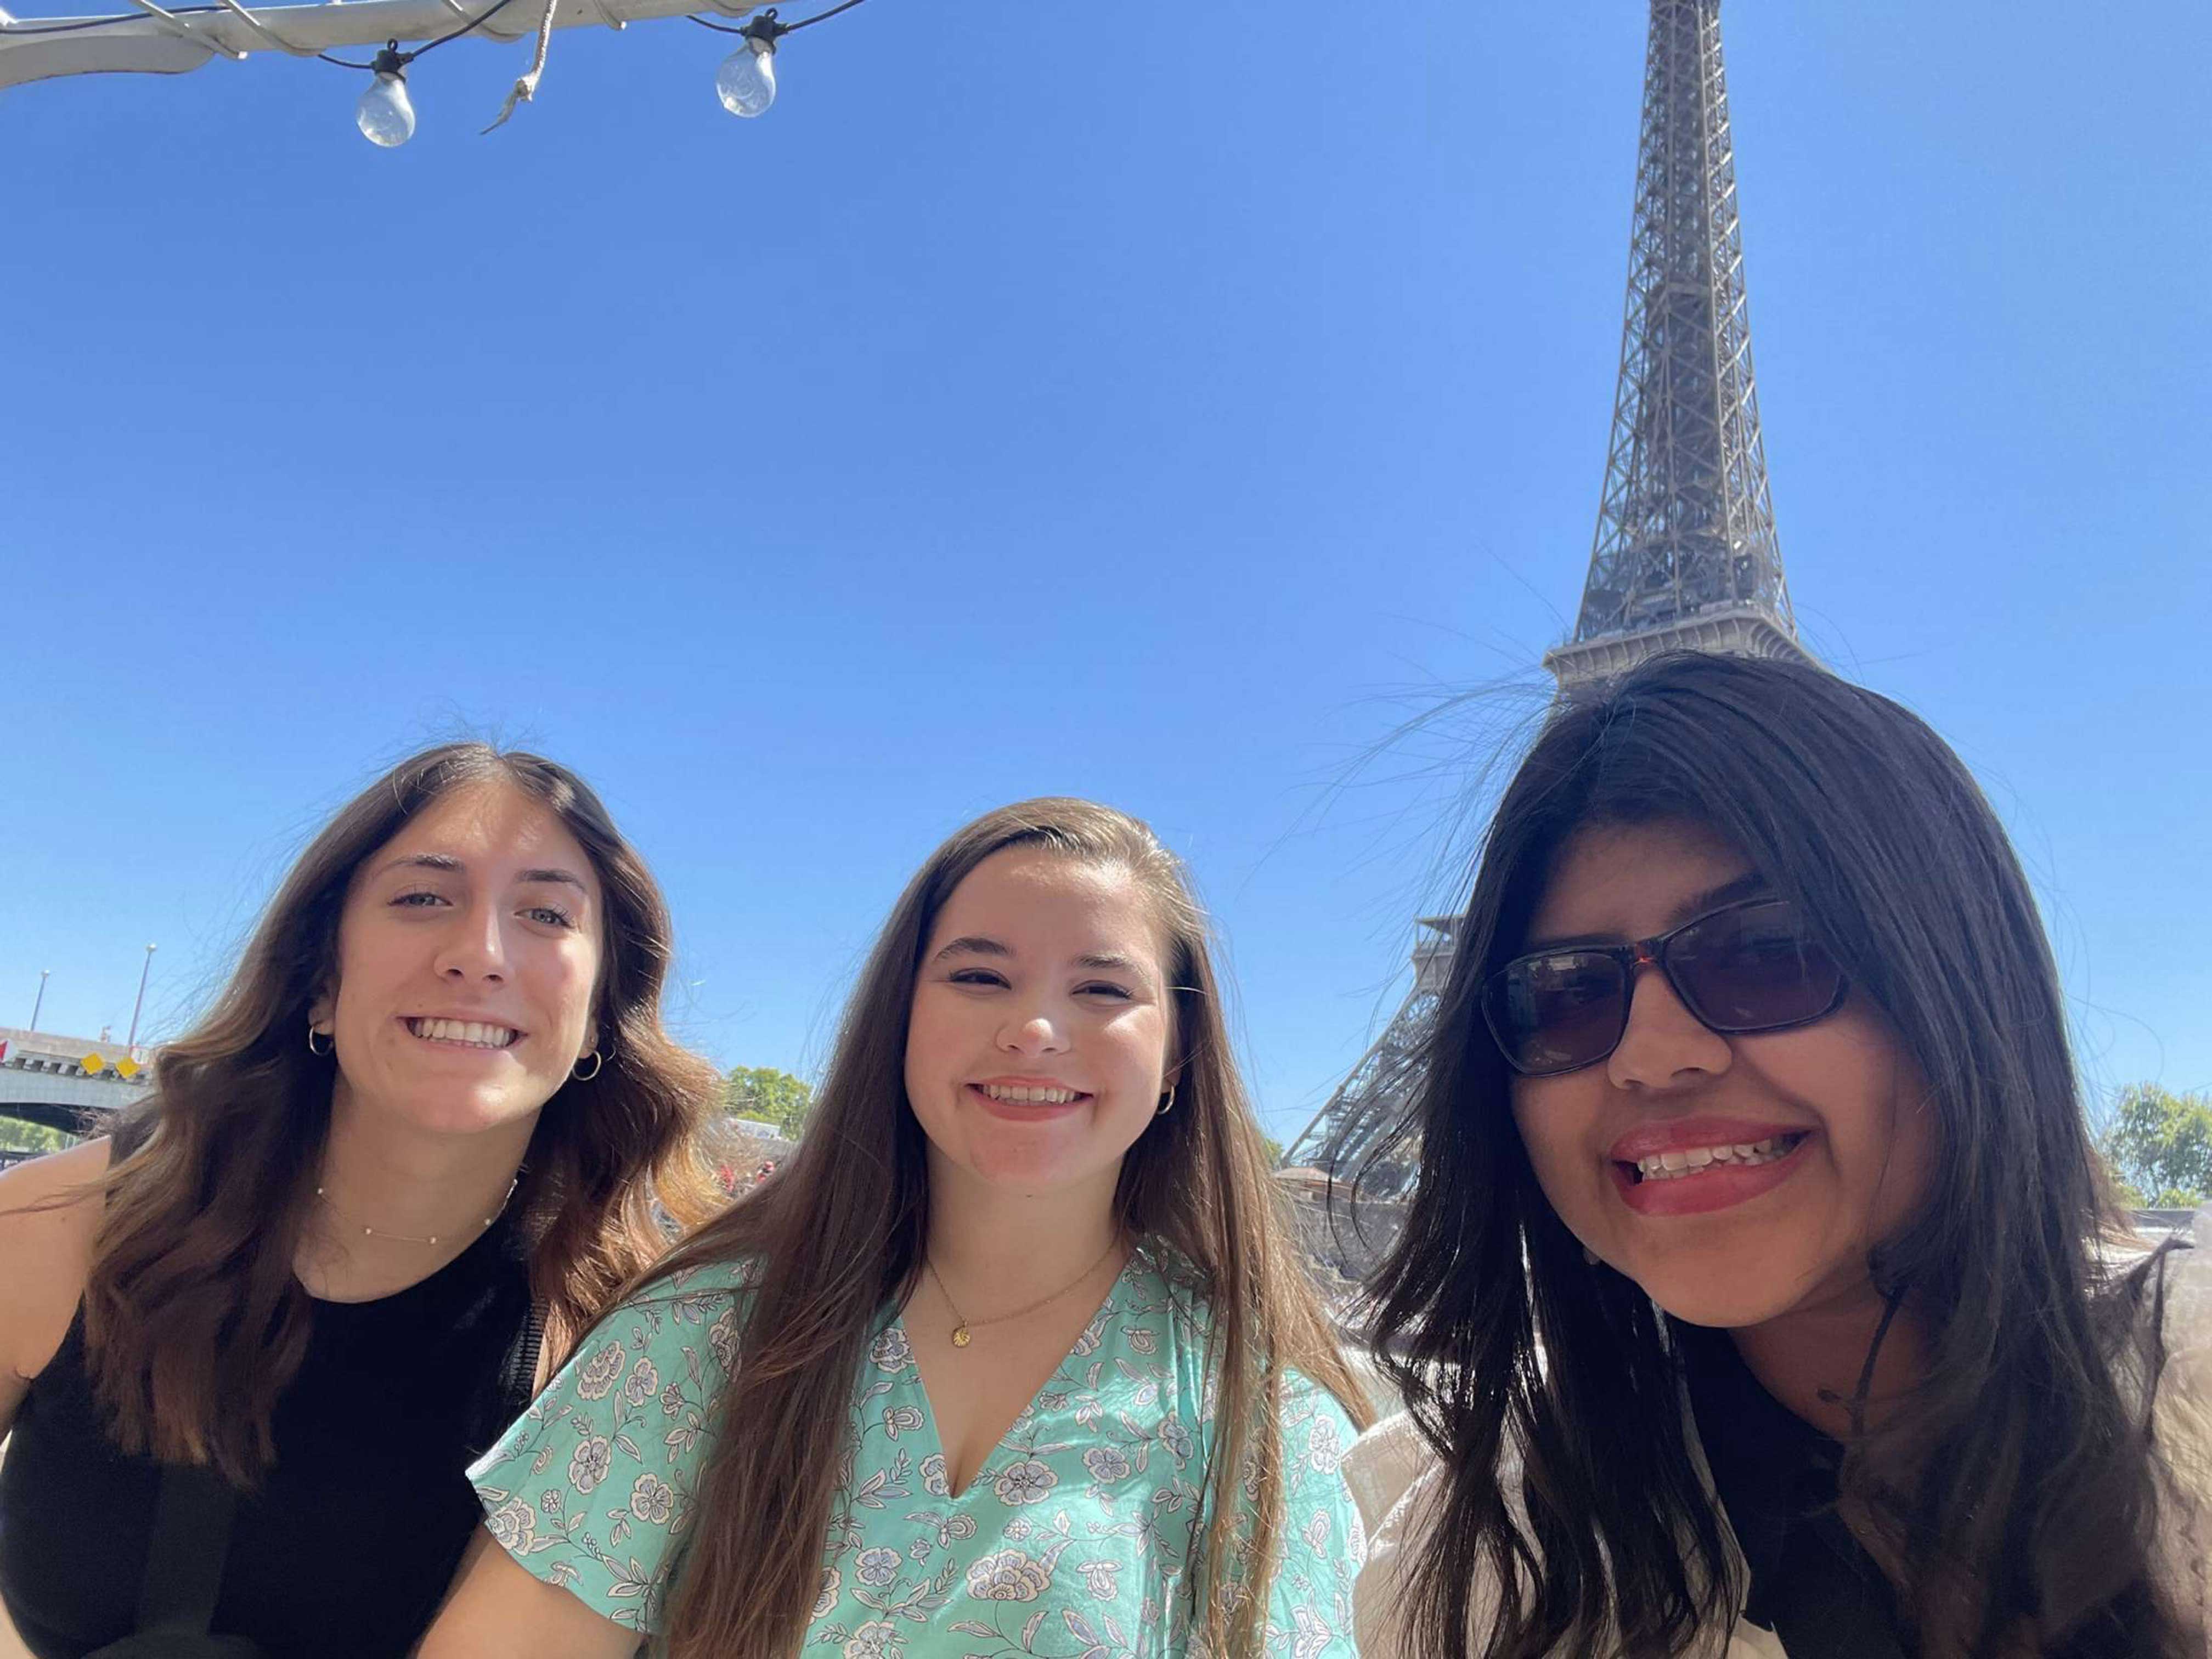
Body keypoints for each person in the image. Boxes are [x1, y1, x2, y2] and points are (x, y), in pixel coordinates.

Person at [1344, 652, 2212, 1659]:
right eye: (1566, 992)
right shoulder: (1485, 1560)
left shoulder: (2190, 1409)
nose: (1652, 1056)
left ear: (1961, 984)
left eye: (1766, 950)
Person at [424, 798, 1375, 1659]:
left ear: (1177, 1058)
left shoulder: (1271, 1421)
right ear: (902, 1021)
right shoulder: (704, 1333)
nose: (1036, 1028)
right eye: (979, 975)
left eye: (1102, 990)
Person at [0, 743, 721, 1658]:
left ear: (600, 1014)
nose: (481, 954)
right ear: (320, 983)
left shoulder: (631, 1345)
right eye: (424, 897)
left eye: (546, 913)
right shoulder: (72, 1225)